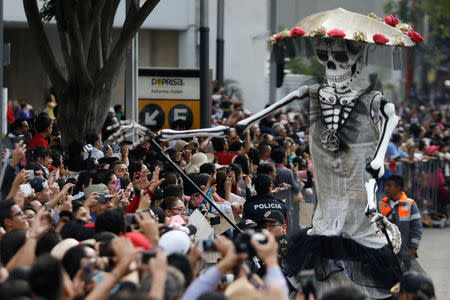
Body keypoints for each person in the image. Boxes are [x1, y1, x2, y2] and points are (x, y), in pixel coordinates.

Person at [378, 175, 423, 270]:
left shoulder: (410, 204)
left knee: (404, 278)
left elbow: (417, 228)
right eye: (386, 185)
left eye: (389, 186)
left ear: (398, 188)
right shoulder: (381, 204)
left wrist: (413, 247)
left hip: (405, 251)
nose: (386, 188)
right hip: (385, 250)